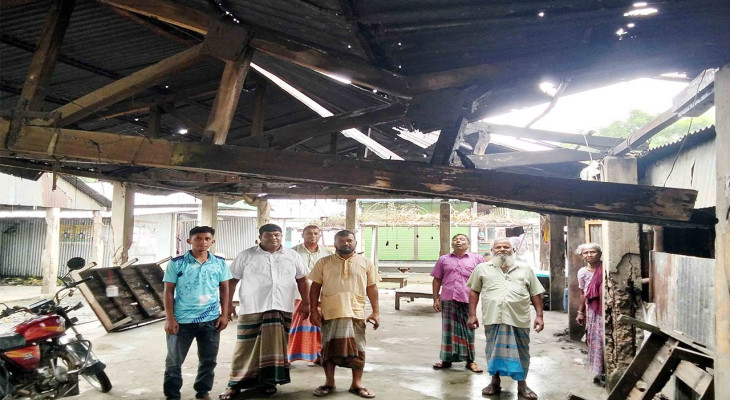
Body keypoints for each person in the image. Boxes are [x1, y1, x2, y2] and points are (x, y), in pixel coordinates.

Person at [219, 224, 310, 399]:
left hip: (282, 307)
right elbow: (232, 281)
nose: (273, 238)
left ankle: (268, 381)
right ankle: (234, 384)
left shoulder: (292, 255)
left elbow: (302, 279)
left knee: (275, 348)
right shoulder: (246, 255)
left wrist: (306, 302)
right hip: (252, 307)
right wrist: (228, 304)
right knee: (245, 347)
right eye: (268, 235)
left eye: (277, 235)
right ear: (260, 237)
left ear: (281, 236)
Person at [466, 237, 545, 399]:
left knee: (522, 351)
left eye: (506, 247)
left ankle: (522, 384)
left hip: (519, 318)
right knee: (493, 350)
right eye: (498, 247)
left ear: (513, 250)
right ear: (492, 251)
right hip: (493, 317)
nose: (502, 249)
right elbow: (474, 291)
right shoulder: (482, 268)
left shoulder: (525, 269)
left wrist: (539, 316)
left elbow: (535, 293)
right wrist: (472, 315)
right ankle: (494, 382)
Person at [308, 230, 381, 398]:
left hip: (356, 313)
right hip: (330, 312)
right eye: (341, 241)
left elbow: (372, 288)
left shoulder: (366, 263)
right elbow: (315, 288)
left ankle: (357, 384)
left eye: (349, 240)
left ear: (355, 243)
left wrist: (376, 312)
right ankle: (329, 383)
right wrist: (313, 310)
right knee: (328, 349)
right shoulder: (324, 262)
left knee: (358, 349)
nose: (345, 243)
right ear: (335, 244)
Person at [162, 226, 232, 400]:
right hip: (182, 320)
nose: (203, 242)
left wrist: (224, 315)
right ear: (189, 241)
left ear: (212, 241)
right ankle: (172, 395)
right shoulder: (176, 263)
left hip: (211, 320)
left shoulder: (219, 263)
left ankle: (202, 391)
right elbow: (168, 291)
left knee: (209, 360)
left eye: (207, 239)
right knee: (174, 361)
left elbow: (225, 289)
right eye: (198, 239)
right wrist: (170, 318)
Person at [431, 234, 485, 373]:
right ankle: (446, 359)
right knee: (448, 330)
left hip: (468, 299)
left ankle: (470, 361)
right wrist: (435, 298)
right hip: (448, 298)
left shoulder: (477, 259)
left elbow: (484, 278)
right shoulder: (444, 259)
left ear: (468, 244)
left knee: (468, 329)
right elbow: (437, 279)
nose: (458, 241)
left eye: (462, 239)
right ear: (452, 243)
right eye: (456, 239)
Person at [288, 225, 332, 364]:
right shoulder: (292, 252)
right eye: (309, 233)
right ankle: (288, 357)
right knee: (294, 326)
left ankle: (319, 356)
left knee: (319, 326)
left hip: (320, 295)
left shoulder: (327, 253)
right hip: (298, 295)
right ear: (303, 235)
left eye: (315, 233)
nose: (312, 236)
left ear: (320, 235)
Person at [576, 243, 605, 385]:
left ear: (600, 253)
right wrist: (580, 312)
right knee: (595, 339)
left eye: (592, 252)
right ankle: (598, 371)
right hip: (593, 310)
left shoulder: (606, 268)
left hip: (606, 307)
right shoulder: (582, 272)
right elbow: (583, 293)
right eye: (585, 253)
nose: (589, 255)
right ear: (582, 256)